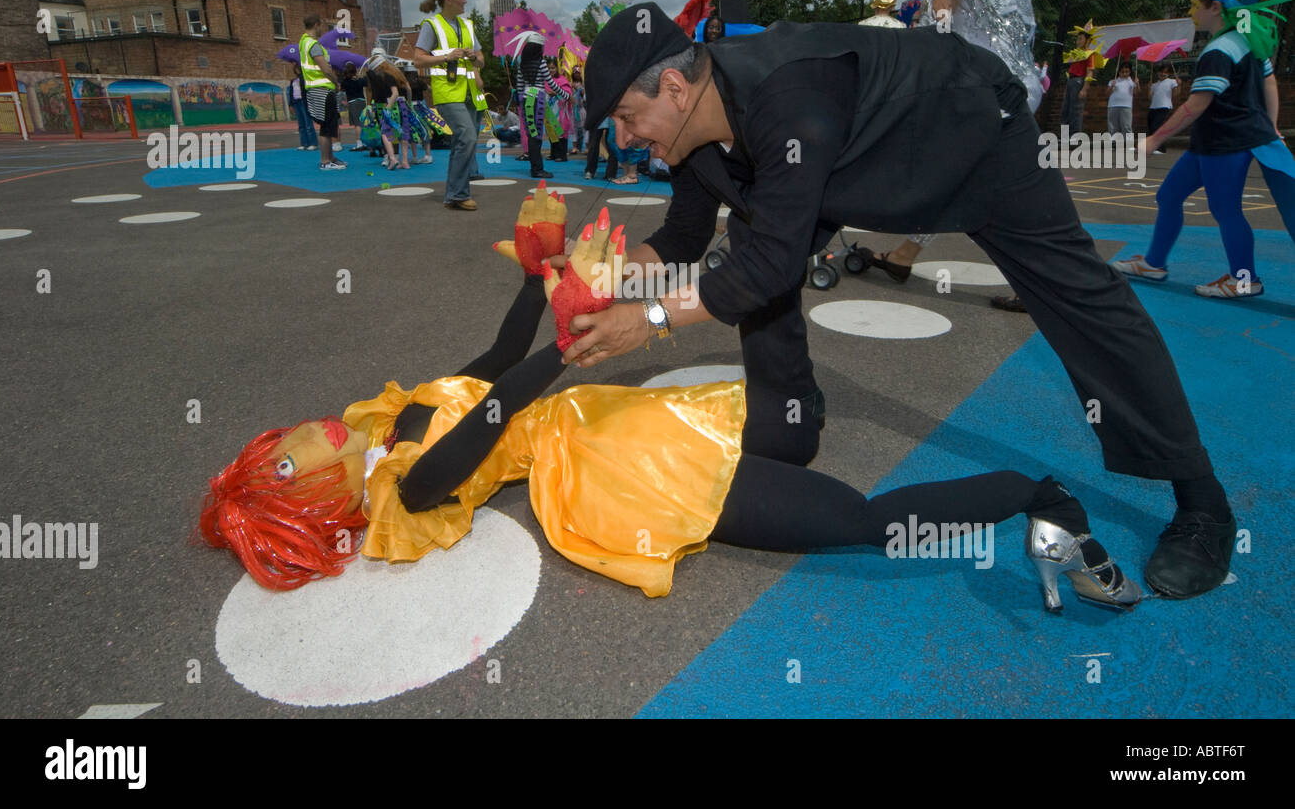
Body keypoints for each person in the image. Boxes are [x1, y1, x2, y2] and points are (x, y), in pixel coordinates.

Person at [576, 0, 1239, 601]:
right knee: (748, 247)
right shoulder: (692, 138)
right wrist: (604, 273)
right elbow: (681, 241)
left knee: (1083, 299)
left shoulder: (788, 91)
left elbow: (773, 264)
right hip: (848, 165)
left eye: (628, 120)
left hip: (967, 130)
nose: (625, 141)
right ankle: (790, 419)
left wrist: (652, 319)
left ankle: (1202, 500)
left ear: (673, 86)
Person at [200, 192, 1140, 610]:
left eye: (274, 445)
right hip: (607, 466)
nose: (294, 440)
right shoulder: (402, 493)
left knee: (791, 435)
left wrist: (536, 277)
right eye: (284, 467)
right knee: (859, 523)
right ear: (307, 504)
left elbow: (490, 363)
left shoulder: (384, 412)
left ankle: (774, 251)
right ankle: (1040, 498)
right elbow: (489, 421)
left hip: (605, 419)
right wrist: (568, 346)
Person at [857, 0, 1044, 313]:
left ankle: (1043, 282)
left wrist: (911, 56)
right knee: (961, 177)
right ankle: (905, 254)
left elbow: (940, 20)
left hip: (981, 91)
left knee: (975, 184)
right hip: (1018, 88)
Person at [1112, 0, 1294, 299]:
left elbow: (1196, 105)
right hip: (1215, 143)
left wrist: (1152, 140)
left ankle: (1244, 279)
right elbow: (1269, 84)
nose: (1191, 12)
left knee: (1225, 210)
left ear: (1216, 8)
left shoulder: (1219, 51)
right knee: (1169, 196)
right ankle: (1154, 262)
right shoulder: (1249, 43)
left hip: (1227, 143)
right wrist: (1271, 127)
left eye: (1196, 6)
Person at [414, 0, 485, 211]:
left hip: (469, 92)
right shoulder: (431, 25)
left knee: (463, 141)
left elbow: (482, 60)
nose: (465, 0)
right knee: (467, 136)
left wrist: (474, 57)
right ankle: (458, 193)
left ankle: (453, 194)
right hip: (447, 92)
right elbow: (418, 60)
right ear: (448, 0)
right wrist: (447, 56)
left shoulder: (467, 26)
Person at [514, 34, 567, 179]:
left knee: (532, 134)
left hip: (526, 98)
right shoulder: (541, 62)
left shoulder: (522, 63)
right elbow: (550, 82)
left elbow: (519, 86)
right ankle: (537, 169)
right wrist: (566, 95)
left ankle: (535, 167)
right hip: (538, 98)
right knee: (537, 135)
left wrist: (520, 101)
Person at [298, 14, 345, 171]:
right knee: (327, 126)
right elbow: (325, 68)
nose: (322, 30)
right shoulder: (314, 45)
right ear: (317, 24)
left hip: (313, 88)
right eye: (321, 26)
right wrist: (336, 81)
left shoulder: (303, 42)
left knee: (329, 125)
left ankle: (330, 158)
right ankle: (325, 160)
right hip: (323, 89)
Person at [1062, 20, 1105, 135]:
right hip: (1071, 81)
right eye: (1078, 39)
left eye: (1081, 39)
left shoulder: (1090, 54)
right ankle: (1064, 136)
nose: (1078, 41)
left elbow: (1090, 72)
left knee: (1075, 110)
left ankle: (1074, 135)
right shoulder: (1076, 54)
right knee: (1066, 109)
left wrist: (1085, 88)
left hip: (1078, 81)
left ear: (1088, 40)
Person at [1147, 64, 1179, 153]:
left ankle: (1160, 148)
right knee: (1151, 127)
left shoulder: (1172, 81)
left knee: (1157, 127)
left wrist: (1179, 85)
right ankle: (1154, 147)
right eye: (1161, 72)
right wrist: (1149, 88)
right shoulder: (1154, 84)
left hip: (1164, 106)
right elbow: (1150, 97)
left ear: (1169, 74)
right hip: (1153, 107)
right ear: (1158, 73)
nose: (1163, 74)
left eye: (1166, 72)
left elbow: (1176, 94)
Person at [1107, 62, 1138, 144]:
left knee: (1126, 126)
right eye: (1122, 72)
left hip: (1126, 106)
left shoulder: (1132, 81)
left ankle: (1129, 144)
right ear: (1118, 71)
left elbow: (1136, 93)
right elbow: (1107, 93)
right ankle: (1114, 144)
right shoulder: (1113, 81)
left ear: (1130, 72)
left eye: (1127, 72)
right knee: (1113, 127)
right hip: (1113, 106)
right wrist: (1111, 86)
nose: (1124, 74)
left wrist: (1137, 84)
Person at [340, 63, 368, 152]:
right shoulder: (360, 80)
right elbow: (365, 82)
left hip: (353, 102)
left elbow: (341, 89)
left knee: (357, 124)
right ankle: (366, 142)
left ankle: (359, 143)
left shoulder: (345, 81)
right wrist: (359, 77)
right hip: (362, 101)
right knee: (363, 122)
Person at [289, 63, 317, 151]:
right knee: (301, 124)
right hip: (296, 102)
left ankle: (313, 143)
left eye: (298, 68)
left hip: (304, 102)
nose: (296, 70)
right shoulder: (293, 80)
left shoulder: (304, 78)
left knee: (308, 123)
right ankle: (304, 143)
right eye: (295, 68)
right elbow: (291, 93)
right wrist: (290, 104)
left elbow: (307, 90)